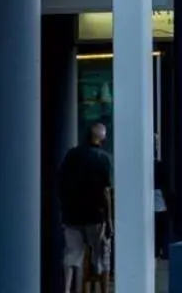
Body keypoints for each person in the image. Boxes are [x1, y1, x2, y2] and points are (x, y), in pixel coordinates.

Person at [59, 123, 115, 293]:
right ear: (103, 138)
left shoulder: (71, 155)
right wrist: (109, 219)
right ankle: (103, 289)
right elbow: (106, 191)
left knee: (71, 255)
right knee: (102, 254)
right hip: (95, 215)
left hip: (71, 214)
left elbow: (61, 181)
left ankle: (67, 289)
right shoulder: (104, 158)